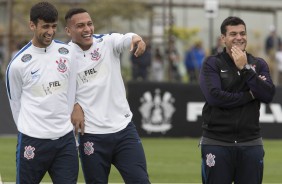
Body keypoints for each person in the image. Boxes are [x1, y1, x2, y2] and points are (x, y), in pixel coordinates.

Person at [65, 8, 150, 184]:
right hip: (91, 134)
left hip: (124, 130)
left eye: (89, 24)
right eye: (80, 26)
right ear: (68, 31)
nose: (87, 29)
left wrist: (137, 39)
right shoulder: (64, 57)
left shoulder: (107, 42)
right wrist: (74, 105)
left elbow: (126, 38)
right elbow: (60, 90)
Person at [5, 2, 78, 183]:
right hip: (33, 141)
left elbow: (73, 91)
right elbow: (15, 104)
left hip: (65, 141)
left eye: (53, 26)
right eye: (45, 26)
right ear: (32, 25)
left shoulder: (67, 53)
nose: (50, 31)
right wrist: (32, 129)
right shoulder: (18, 64)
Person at [199, 16, 275, 184]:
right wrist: (250, 94)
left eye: (242, 33)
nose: (239, 37)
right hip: (217, 142)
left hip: (251, 143)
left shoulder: (258, 64)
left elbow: (268, 95)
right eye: (233, 34)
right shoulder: (212, 63)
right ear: (223, 38)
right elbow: (215, 97)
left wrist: (245, 68)